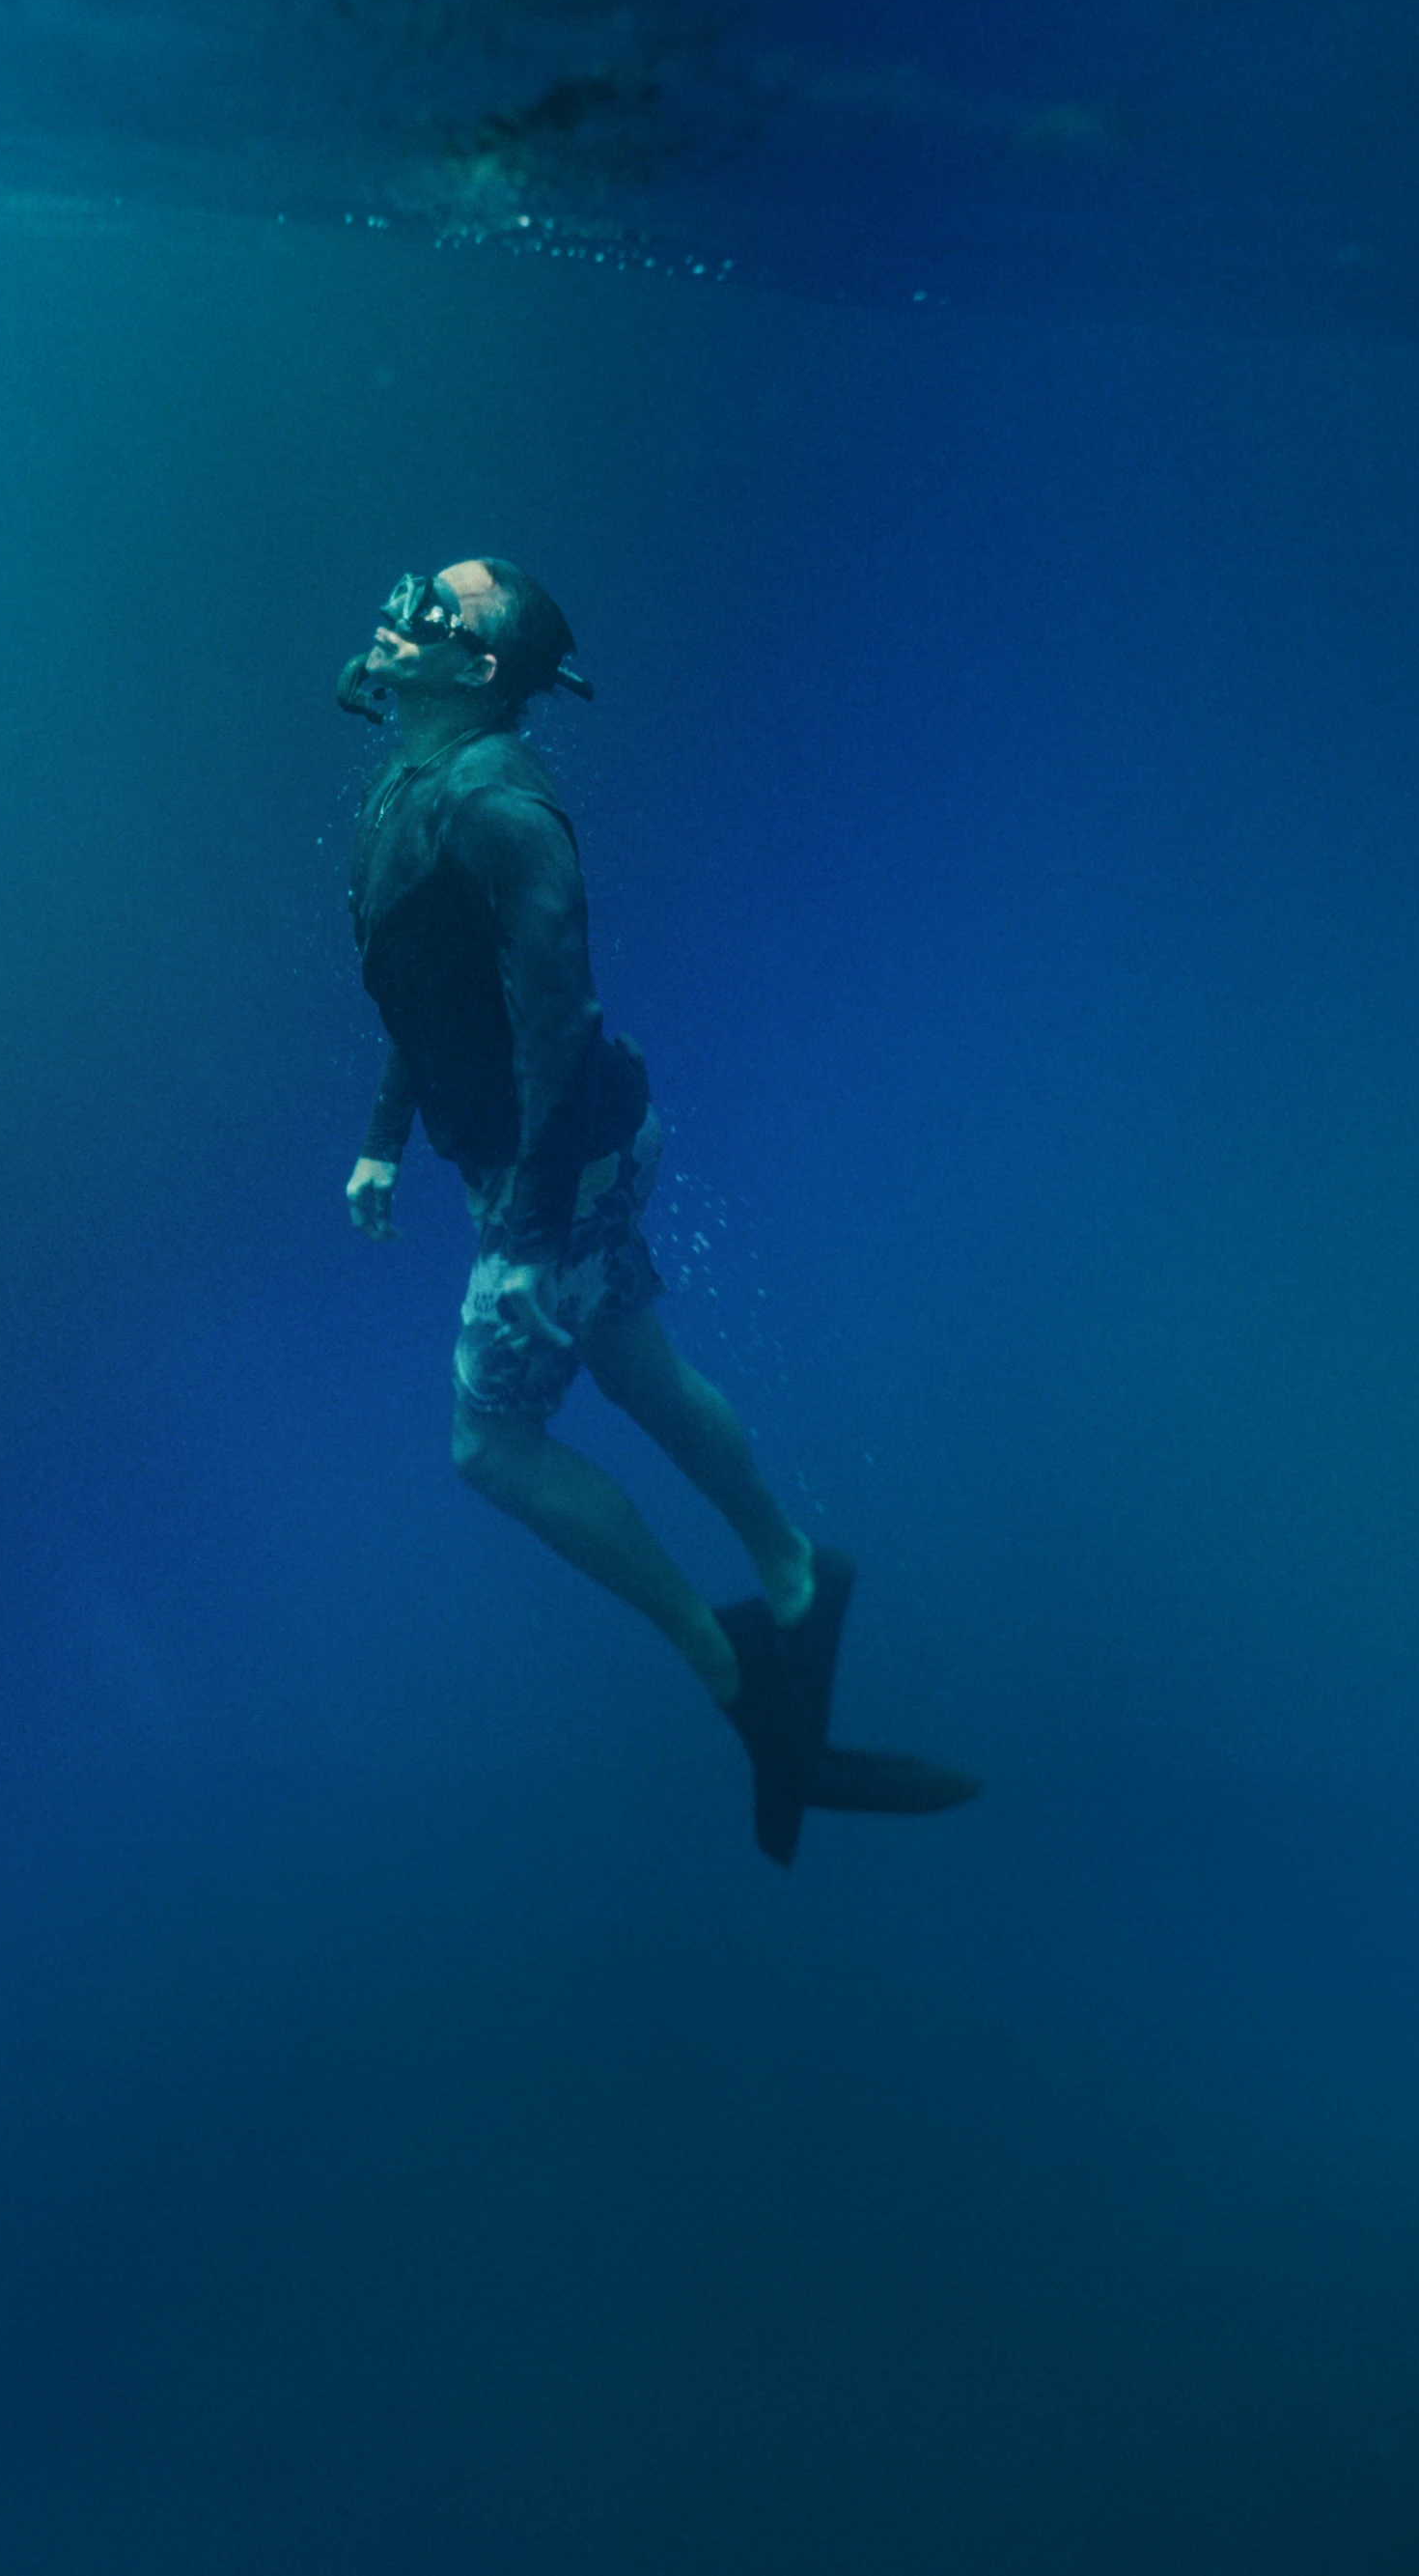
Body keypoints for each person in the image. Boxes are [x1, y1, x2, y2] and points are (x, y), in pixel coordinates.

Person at [334, 558, 976, 1864]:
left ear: (475, 673)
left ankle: (732, 1666)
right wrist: (384, 1143)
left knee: (490, 1447)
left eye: (432, 612)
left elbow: (552, 1010)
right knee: (630, 1358)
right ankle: (794, 1567)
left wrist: (518, 1238)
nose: (397, 615)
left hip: (553, 1174)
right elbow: (428, 981)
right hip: (572, 1156)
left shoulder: (495, 798)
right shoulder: (416, 777)